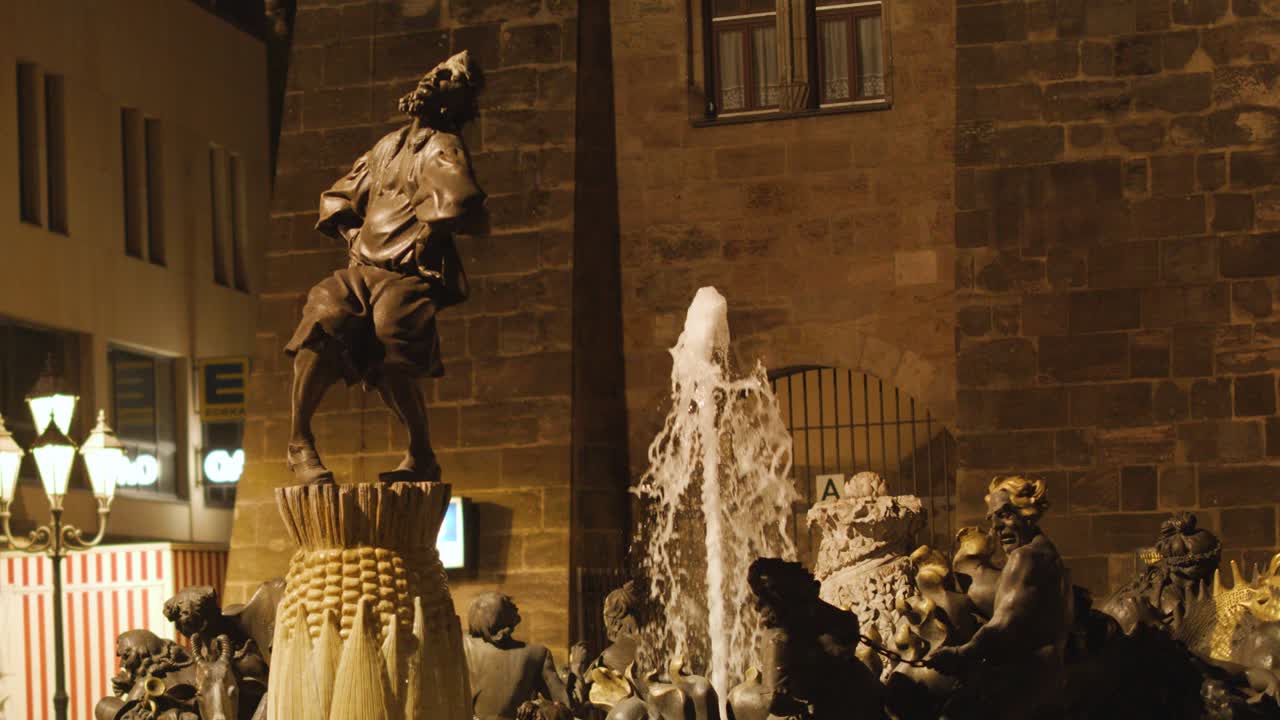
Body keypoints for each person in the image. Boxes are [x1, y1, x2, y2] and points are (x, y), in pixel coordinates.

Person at [284, 50, 485, 484]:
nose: (435, 80)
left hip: (407, 273)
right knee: (323, 314)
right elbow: (339, 198)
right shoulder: (386, 147)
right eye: (436, 74)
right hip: (364, 268)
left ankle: (421, 452)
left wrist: (433, 234)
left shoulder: (443, 147)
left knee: (392, 344)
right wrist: (352, 236)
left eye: (448, 80)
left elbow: (464, 203)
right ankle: (299, 441)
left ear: (452, 105)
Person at [925, 476, 1073, 720]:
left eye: (1005, 515)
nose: (997, 528)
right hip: (1048, 676)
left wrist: (960, 654)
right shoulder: (1048, 553)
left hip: (1023, 679)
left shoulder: (1025, 558)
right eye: (993, 519)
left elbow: (1003, 625)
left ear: (1027, 512)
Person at [464, 592, 573, 720]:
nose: (516, 606)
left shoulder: (536, 654)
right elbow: (564, 706)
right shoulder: (464, 647)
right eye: (508, 603)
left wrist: (538, 706)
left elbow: (564, 707)